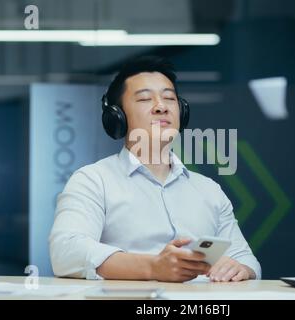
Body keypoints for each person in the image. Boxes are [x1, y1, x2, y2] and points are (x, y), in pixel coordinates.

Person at [49, 56, 261, 282]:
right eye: (144, 99)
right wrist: (153, 267)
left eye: (169, 98)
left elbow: (246, 259)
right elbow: (65, 251)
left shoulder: (209, 190)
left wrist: (240, 269)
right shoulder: (93, 180)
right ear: (117, 117)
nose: (161, 107)